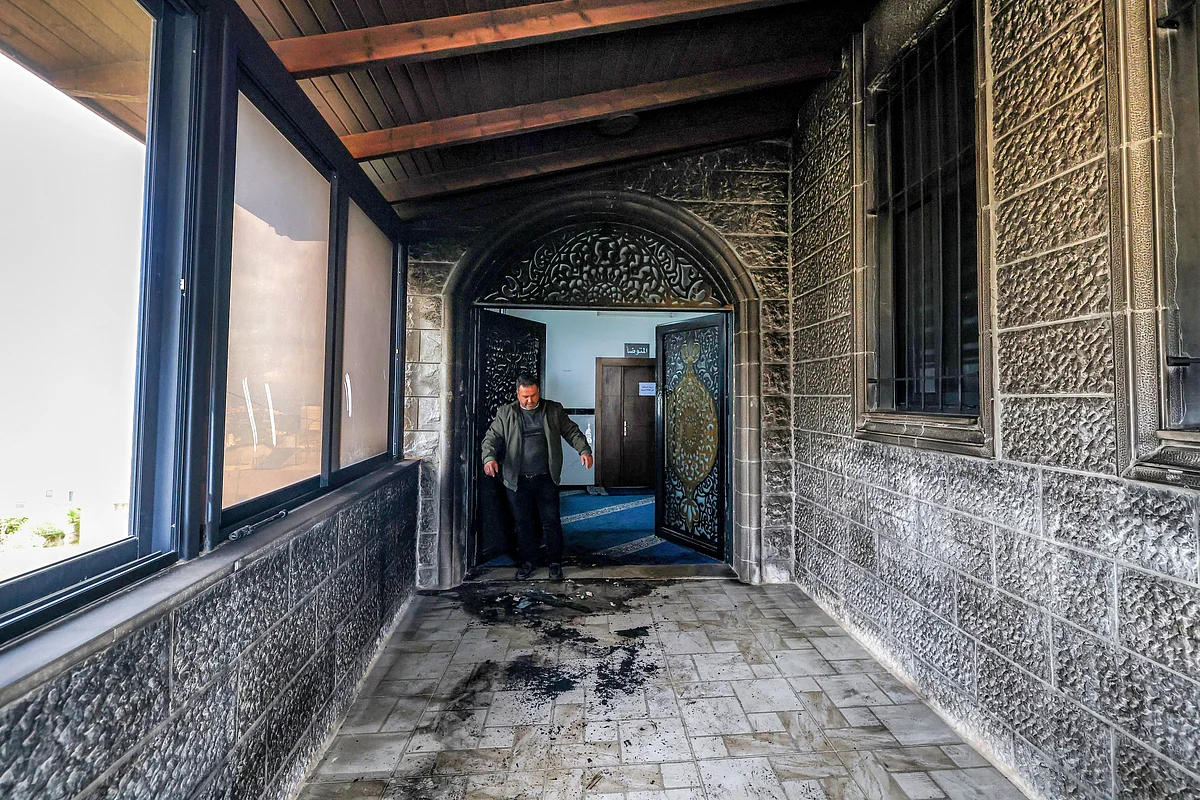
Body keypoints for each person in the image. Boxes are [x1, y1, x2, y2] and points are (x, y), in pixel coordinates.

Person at [481, 373, 594, 581]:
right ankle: (528, 562)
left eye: (533, 395)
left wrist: (584, 450)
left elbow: (571, 431)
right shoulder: (506, 413)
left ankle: (554, 562)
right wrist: (489, 458)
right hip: (517, 479)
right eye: (525, 396)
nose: (530, 400)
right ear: (517, 394)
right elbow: (492, 438)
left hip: (545, 478)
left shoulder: (553, 410)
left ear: (538, 391)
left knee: (551, 521)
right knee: (522, 523)